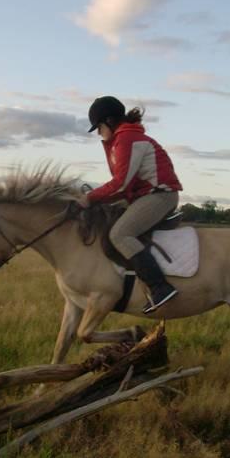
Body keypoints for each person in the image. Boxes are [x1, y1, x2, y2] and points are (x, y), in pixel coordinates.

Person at [78, 96, 183, 314]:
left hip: (160, 196)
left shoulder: (127, 139)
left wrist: (90, 197)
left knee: (120, 235)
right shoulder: (122, 139)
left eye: (98, 127)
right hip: (144, 196)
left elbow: (120, 184)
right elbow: (124, 186)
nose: (98, 133)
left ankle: (160, 287)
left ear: (109, 120)